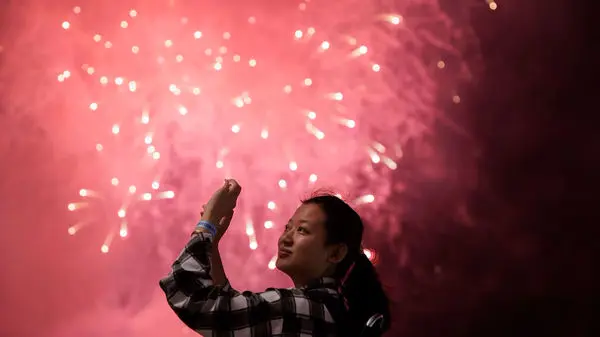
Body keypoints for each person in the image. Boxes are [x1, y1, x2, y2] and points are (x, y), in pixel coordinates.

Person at [159, 179, 391, 337]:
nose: (285, 239)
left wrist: (206, 226)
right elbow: (233, 315)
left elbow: (194, 300)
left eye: (302, 230)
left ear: (336, 253)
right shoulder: (330, 308)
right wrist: (213, 245)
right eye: (287, 228)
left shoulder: (301, 308)